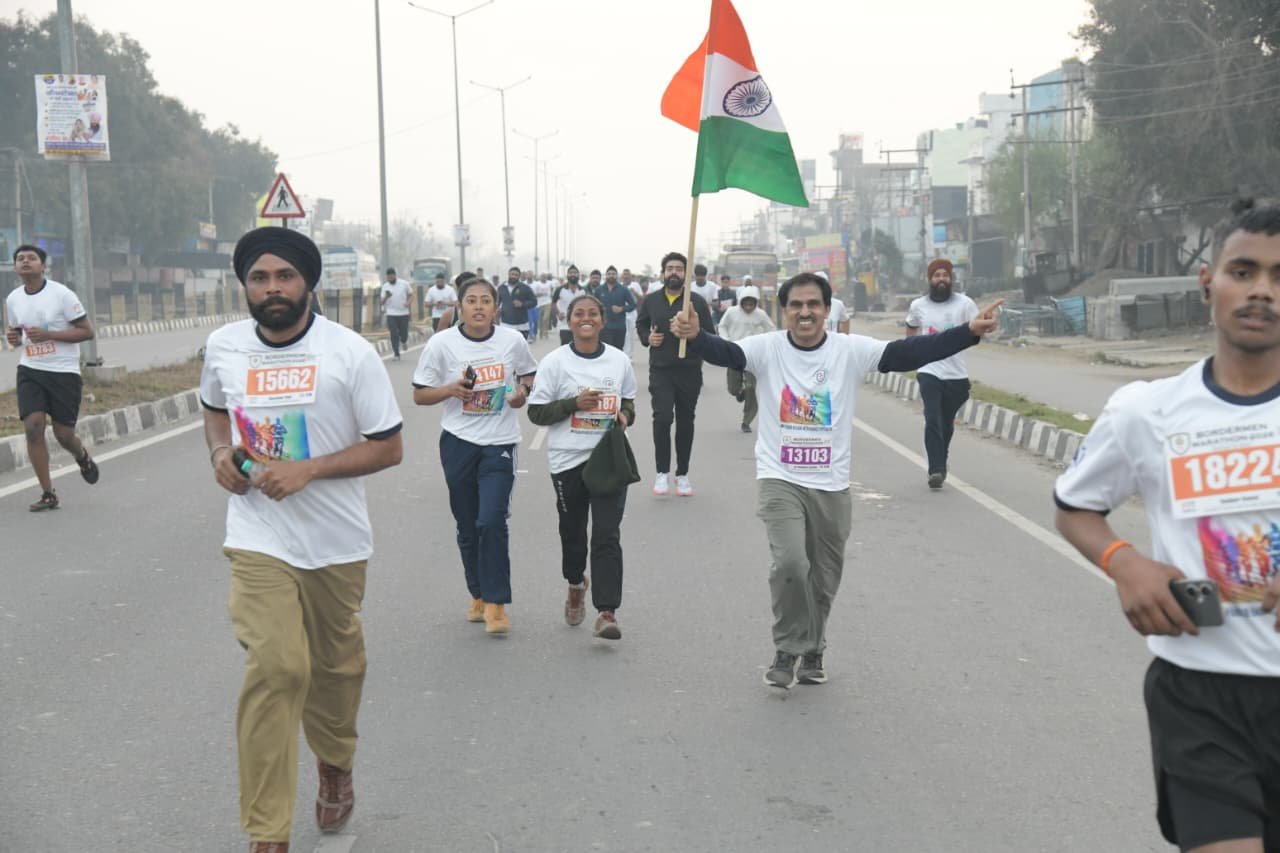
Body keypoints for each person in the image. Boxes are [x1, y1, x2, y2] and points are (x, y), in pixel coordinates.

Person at [1054, 198, 1280, 853]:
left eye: (1279, 277)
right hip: (1199, 697)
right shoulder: (1145, 411)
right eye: (1244, 271)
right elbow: (1075, 505)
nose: (1262, 291)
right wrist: (1125, 562)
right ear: (1208, 282)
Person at [671, 272, 1001, 688]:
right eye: (796, 305)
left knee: (823, 578)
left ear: (827, 310)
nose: (805, 312)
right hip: (780, 477)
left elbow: (910, 352)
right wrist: (697, 337)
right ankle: (787, 648)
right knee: (790, 564)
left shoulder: (849, 350)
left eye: (813, 304)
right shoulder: (766, 348)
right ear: (784, 311)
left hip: (830, 483)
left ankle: (813, 648)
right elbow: (725, 352)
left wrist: (968, 333)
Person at [200, 227, 404, 852]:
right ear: (245, 286)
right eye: (259, 278)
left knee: (336, 671)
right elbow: (214, 408)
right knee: (277, 667)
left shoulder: (349, 353)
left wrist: (308, 469)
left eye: (284, 276)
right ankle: (268, 832)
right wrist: (220, 454)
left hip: (335, 543)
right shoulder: (225, 346)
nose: (273, 289)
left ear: (308, 283)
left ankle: (335, 760)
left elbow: (389, 447)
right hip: (258, 535)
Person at [413, 275, 537, 635]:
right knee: (467, 526)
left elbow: (529, 375)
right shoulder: (441, 344)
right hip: (458, 442)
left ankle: (497, 604)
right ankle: (478, 594)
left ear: (496, 308)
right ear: (460, 307)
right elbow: (420, 394)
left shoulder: (512, 341)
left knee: (491, 521)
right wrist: (450, 390)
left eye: (485, 301)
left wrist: (521, 393)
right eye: (471, 301)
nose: (479, 307)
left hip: (500, 443)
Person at [528, 293, 638, 639]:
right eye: (579, 314)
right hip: (567, 460)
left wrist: (625, 416)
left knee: (607, 535)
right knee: (573, 532)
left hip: (608, 459)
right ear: (569, 320)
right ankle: (576, 584)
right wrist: (574, 404)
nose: (586, 319)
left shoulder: (619, 361)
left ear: (602, 321)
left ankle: (607, 612)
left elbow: (629, 402)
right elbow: (536, 413)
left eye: (592, 313)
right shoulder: (555, 363)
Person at [5, 244, 99, 511]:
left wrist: (50, 335)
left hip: (63, 372)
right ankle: (48, 493)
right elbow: (17, 332)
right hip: (30, 370)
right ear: (15, 268)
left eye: (31, 258)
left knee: (64, 435)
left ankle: (81, 456)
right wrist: (14, 338)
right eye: (20, 259)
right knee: (33, 429)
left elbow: (87, 331)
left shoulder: (61, 294)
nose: (25, 261)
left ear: (43, 266)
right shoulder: (13, 299)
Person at [635, 251, 715, 497]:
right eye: (669, 268)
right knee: (662, 418)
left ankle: (682, 474)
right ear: (662, 273)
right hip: (661, 370)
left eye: (679, 269)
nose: (674, 273)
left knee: (685, 421)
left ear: (686, 275)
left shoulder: (696, 302)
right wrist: (648, 338)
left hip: (689, 370)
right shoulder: (652, 300)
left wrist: (692, 334)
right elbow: (641, 324)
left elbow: (710, 335)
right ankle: (662, 472)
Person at [904, 258, 979, 490]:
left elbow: (978, 327)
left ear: (951, 278)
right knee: (932, 418)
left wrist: (983, 328)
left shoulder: (965, 303)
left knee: (946, 423)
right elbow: (911, 325)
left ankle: (941, 459)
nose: (941, 279)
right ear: (930, 280)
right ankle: (935, 469)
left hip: (956, 375)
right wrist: (912, 349)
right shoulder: (918, 305)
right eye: (937, 276)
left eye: (945, 275)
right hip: (929, 370)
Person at [716, 285, 773, 433]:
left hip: (753, 355)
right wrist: (726, 340)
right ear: (741, 301)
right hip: (735, 351)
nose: (748, 307)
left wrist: (765, 345)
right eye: (746, 304)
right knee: (733, 388)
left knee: (750, 387)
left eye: (751, 304)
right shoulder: (731, 312)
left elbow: (771, 330)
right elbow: (722, 326)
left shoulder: (761, 315)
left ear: (755, 303)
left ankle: (747, 421)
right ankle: (739, 392)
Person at [597, 265, 635, 351]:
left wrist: (621, 309)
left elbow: (633, 305)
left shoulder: (623, 289)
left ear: (617, 276)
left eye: (613, 274)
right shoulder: (599, 290)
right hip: (604, 327)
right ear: (606, 275)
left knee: (618, 351)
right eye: (609, 274)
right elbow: (594, 306)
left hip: (619, 327)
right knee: (604, 351)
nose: (611, 276)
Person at [379, 267, 411, 360]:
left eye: (392, 276)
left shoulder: (404, 284)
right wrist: (386, 296)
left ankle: (404, 341)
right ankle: (396, 354)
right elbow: (381, 302)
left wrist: (408, 303)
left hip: (403, 313)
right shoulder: (385, 286)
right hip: (391, 314)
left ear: (395, 275)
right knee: (394, 333)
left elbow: (412, 295)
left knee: (404, 334)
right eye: (388, 277)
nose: (390, 278)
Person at [498, 266, 537, 339]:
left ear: (519, 276)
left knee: (520, 346)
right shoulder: (502, 288)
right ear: (508, 275)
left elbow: (534, 302)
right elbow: (496, 303)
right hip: (506, 324)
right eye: (512, 274)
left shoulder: (525, 288)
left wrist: (522, 304)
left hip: (521, 325)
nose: (513, 276)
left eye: (516, 275)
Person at [554, 266, 583, 345]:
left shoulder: (583, 290)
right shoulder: (560, 289)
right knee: (566, 347)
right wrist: (558, 313)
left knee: (579, 347)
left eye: (575, 273)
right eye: (570, 273)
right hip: (564, 325)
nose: (573, 274)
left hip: (579, 324)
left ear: (578, 275)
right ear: (567, 275)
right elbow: (553, 303)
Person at [623, 268, 644, 357]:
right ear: (622, 276)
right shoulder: (620, 285)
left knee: (631, 335)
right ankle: (624, 353)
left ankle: (630, 355)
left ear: (630, 276)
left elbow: (641, 298)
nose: (626, 276)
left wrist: (634, 292)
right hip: (623, 312)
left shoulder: (635, 285)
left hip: (632, 313)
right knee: (625, 334)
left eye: (627, 274)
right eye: (624, 274)